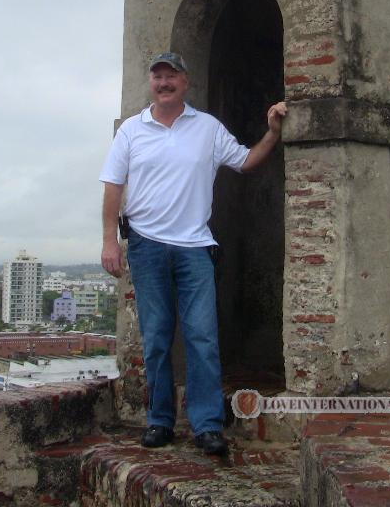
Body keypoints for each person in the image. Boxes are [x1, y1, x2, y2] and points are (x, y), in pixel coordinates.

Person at [100, 51, 286, 456]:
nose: (163, 83)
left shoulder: (207, 128)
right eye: (157, 77)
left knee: (203, 338)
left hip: (195, 247)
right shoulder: (132, 130)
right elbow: (113, 187)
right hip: (146, 245)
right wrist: (109, 241)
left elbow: (245, 162)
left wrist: (271, 133)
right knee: (157, 339)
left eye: (171, 76)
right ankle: (160, 421)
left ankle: (205, 425)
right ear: (152, 82)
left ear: (185, 82)